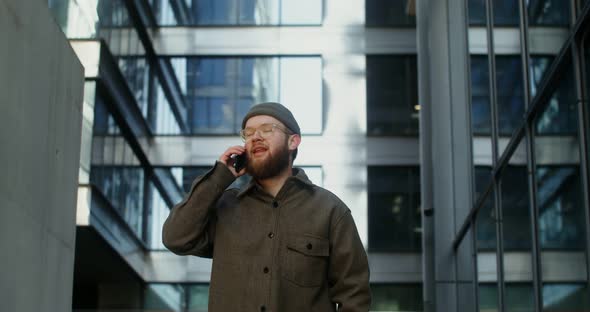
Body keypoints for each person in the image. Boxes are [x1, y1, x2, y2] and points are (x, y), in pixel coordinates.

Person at [162, 102, 371, 311]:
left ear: (293, 141)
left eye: (267, 129)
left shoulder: (331, 210)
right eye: (249, 133)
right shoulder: (225, 206)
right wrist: (219, 177)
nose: (255, 137)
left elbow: (353, 294)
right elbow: (176, 238)